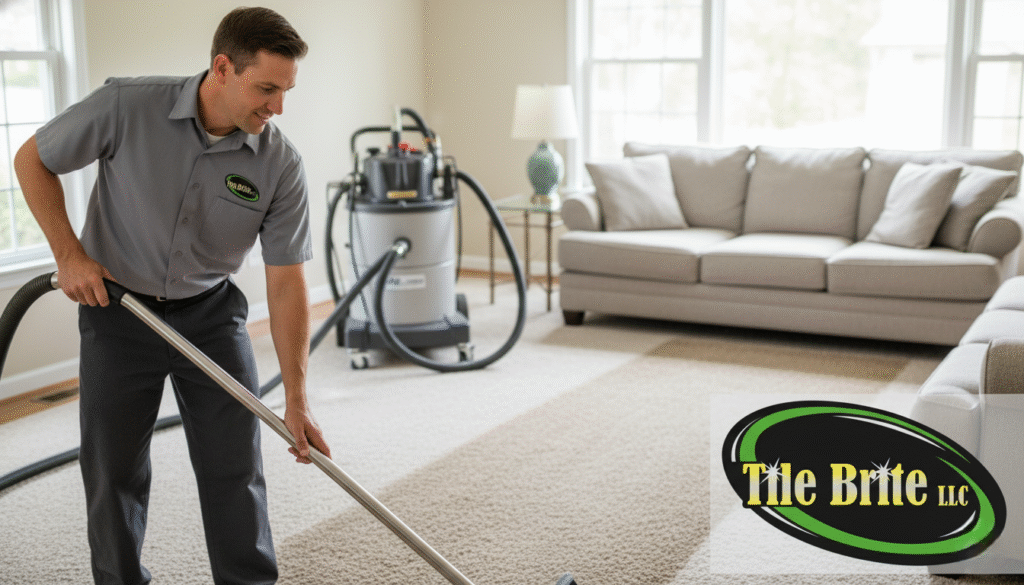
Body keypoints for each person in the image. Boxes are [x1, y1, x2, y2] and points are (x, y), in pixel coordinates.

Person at [13, 7, 330, 585]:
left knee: (235, 465)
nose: (277, 106)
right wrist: (69, 254)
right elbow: (32, 159)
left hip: (211, 314)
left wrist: (299, 397)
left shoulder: (280, 164)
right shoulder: (127, 107)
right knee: (113, 469)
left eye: (286, 91)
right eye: (266, 88)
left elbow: (286, 282)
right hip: (118, 311)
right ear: (223, 67)